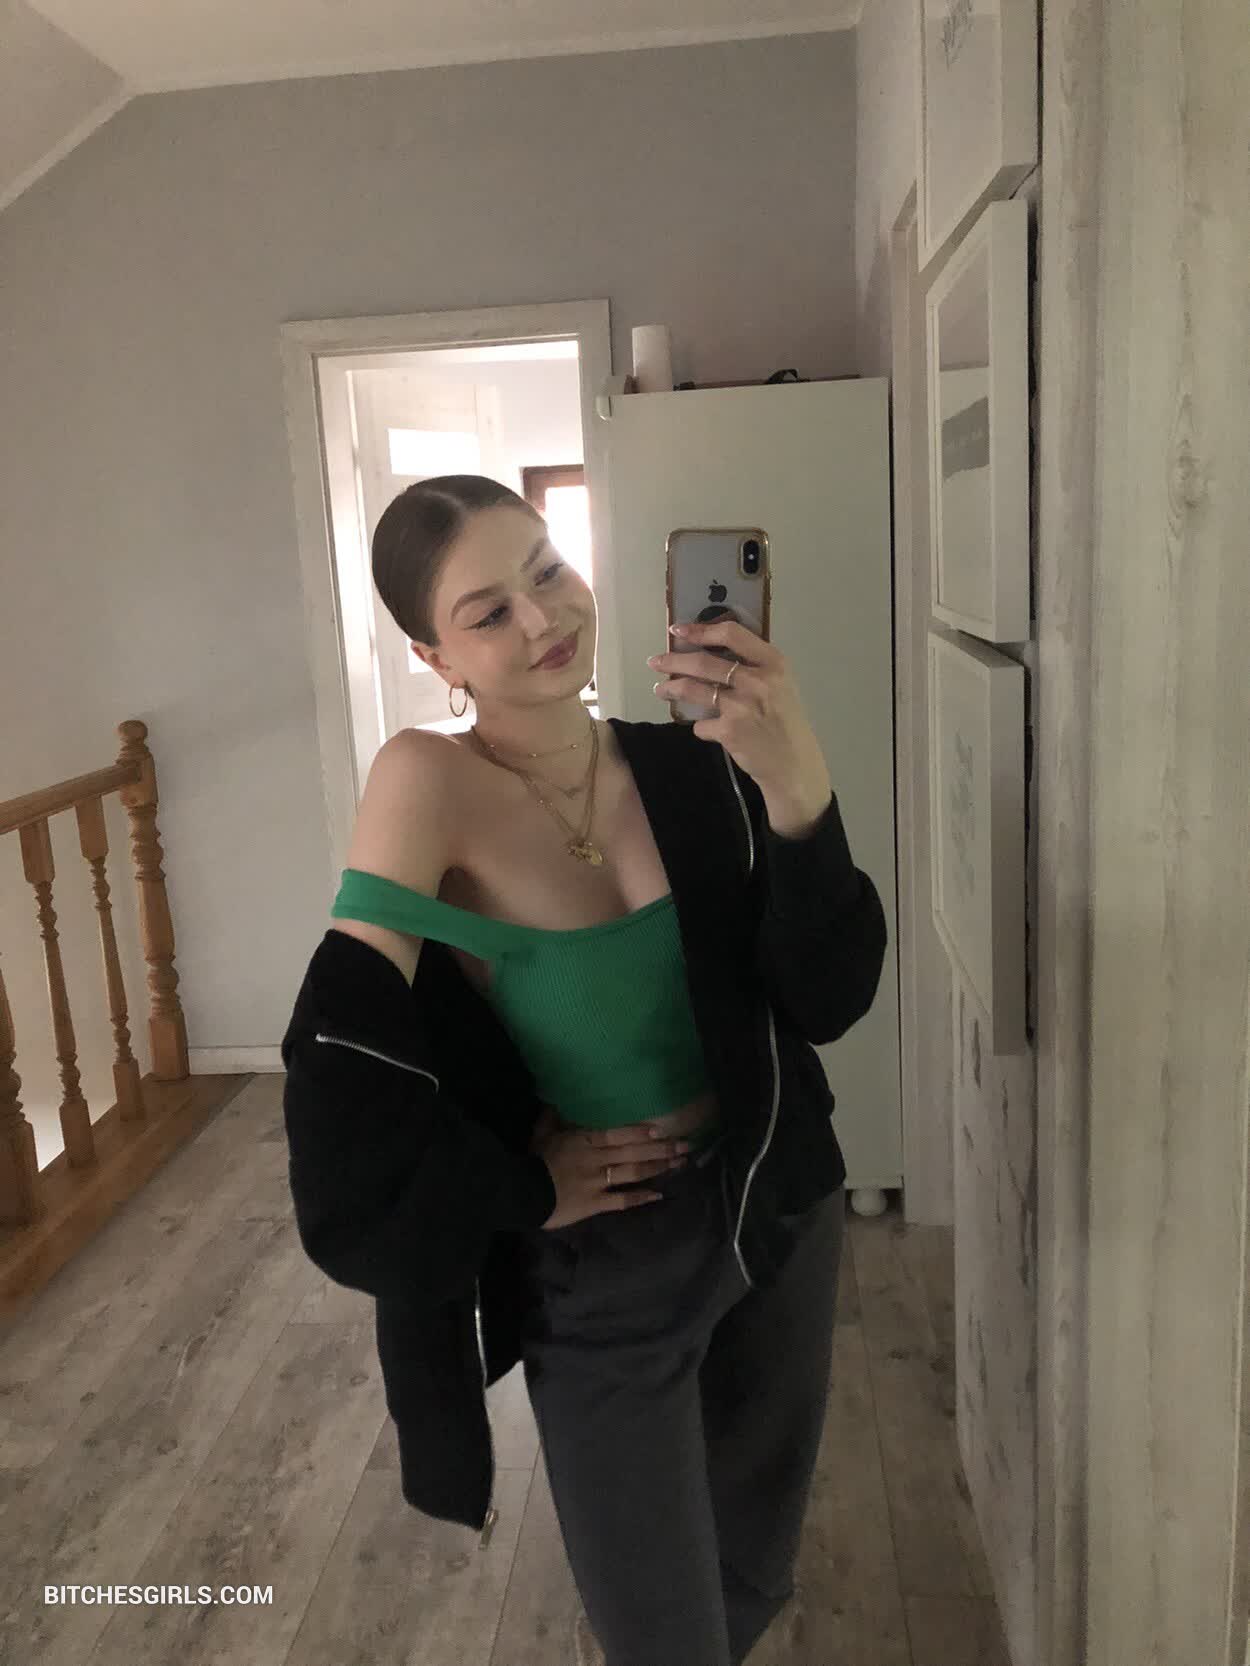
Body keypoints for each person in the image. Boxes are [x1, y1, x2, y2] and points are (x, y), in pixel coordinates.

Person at [280, 474, 888, 1666]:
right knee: (659, 1629)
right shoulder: (427, 781)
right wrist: (515, 1186)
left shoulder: (696, 761)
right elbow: (339, 1066)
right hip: (605, 1264)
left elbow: (830, 999)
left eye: (547, 570)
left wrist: (798, 782)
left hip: (775, 1207)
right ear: (432, 656)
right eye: (486, 612)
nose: (541, 617)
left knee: (750, 1576)